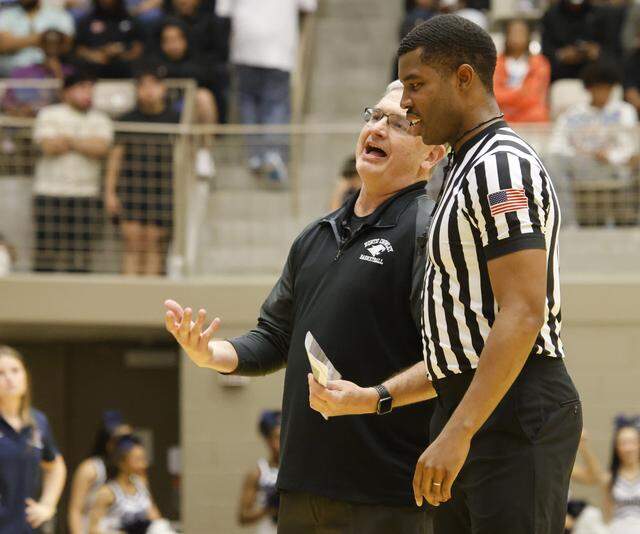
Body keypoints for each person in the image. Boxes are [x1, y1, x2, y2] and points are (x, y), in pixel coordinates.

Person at [313, 14, 583, 534]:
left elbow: (523, 313)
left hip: (515, 410)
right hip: (471, 408)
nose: (406, 101)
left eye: (416, 85)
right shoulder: (458, 169)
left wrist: (459, 432)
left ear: (463, 78)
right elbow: (461, 346)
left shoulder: (501, 165)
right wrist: (380, 398)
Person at [164, 81, 446, 533]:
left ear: (431, 156)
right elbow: (275, 336)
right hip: (303, 490)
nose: (377, 128)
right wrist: (211, 354)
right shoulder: (315, 235)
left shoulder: (429, 231)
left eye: (397, 122)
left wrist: (373, 400)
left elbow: (449, 361)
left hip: (388, 494)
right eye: (373, 116)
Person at [215, 0, 317, 183]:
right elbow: (309, 6)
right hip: (279, 47)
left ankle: (255, 155)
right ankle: (273, 153)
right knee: (276, 103)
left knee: (248, 102)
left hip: (244, 45)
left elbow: (223, 11)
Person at [32, 71, 114, 272]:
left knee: (80, 255)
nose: (87, 93)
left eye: (90, 88)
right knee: (46, 253)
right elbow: (49, 146)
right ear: (66, 92)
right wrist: (84, 143)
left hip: (85, 194)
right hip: (50, 192)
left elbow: (101, 148)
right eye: (81, 87)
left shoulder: (101, 119)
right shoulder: (49, 114)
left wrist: (68, 140)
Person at [105, 65, 180, 276]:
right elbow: (115, 158)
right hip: (132, 187)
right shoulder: (127, 119)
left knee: (153, 243)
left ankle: (150, 298)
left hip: (162, 188)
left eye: (154, 84)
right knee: (133, 242)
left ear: (163, 88)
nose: (148, 90)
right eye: (143, 85)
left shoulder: (175, 119)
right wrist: (110, 192)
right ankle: (128, 296)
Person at [548, 62, 637, 226]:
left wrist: (610, 156)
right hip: (579, 166)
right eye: (599, 88)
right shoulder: (572, 114)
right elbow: (556, 146)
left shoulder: (624, 111)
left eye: (607, 88)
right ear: (589, 88)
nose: (603, 93)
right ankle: (567, 223)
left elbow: (629, 147)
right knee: (551, 162)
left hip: (612, 168)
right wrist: (579, 154)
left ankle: (629, 222)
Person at [0, 345, 67, 533]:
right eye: (1, 373)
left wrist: (47, 506)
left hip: (26, 527)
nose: (9, 378)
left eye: (15, 370)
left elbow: (55, 466)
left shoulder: (38, 422)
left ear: (25, 376)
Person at [162, 0, 230, 123]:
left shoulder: (210, 25)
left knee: (203, 97)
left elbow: (208, 70)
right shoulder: (162, 24)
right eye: (168, 40)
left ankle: (208, 141)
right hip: (164, 98)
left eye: (177, 39)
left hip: (197, 93)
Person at [68, 410, 133, 534]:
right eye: (121, 440)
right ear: (108, 443)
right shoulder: (91, 468)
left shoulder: (130, 471)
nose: (127, 445)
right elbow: (75, 511)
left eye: (130, 439)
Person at [88, 434, 167, 534]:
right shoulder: (107, 492)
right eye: (138, 460)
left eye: (144, 459)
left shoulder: (141, 485)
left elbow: (155, 518)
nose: (144, 464)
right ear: (121, 462)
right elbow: (93, 529)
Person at [2, 30, 74, 118]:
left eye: (57, 44)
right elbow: (6, 102)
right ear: (40, 46)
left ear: (63, 47)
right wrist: (18, 110)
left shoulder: (70, 73)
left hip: (53, 122)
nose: (52, 48)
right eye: (47, 43)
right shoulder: (21, 72)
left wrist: (58, 73)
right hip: (21, 122)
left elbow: (70, 104)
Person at [493, 19, 551, 123]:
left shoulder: (540, 62)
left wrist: (510, 98)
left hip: (528, 111)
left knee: (539, 114)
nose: (516, 36)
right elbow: (494, 94)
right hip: (502, 111)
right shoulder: (495, 62)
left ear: (528, 36)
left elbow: (534, 95)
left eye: (520, 32)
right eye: (513, 32)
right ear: (506, 36)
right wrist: (520, 94)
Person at [0, 0, 74, 77]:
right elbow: (3, 45)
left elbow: (66, 45)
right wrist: (42, 38)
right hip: (10, 72)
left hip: (47, 70)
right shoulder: (7, 15)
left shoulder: (58, 14)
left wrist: (19, 41)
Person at [541, 0, 610, 81]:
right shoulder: (551, 15)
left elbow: (610, 47)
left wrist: (596, 52)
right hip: (561, 76)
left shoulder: (600, 14)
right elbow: (546, 50)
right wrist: (561, 55)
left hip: (594, 76)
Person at [73, 0, 144, 78]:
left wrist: (122, 53)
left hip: (125, 69)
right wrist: (93, 55)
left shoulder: (130, 20)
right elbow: (78, 48)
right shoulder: (86, 21)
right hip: (94, 70)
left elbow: (139, 47)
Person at [237, 410, 281, 533]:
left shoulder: (296, 472)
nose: (282, 442)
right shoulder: (258, 473)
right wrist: (269, 509)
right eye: (277, 437)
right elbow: (242, 516)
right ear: (268, 440)